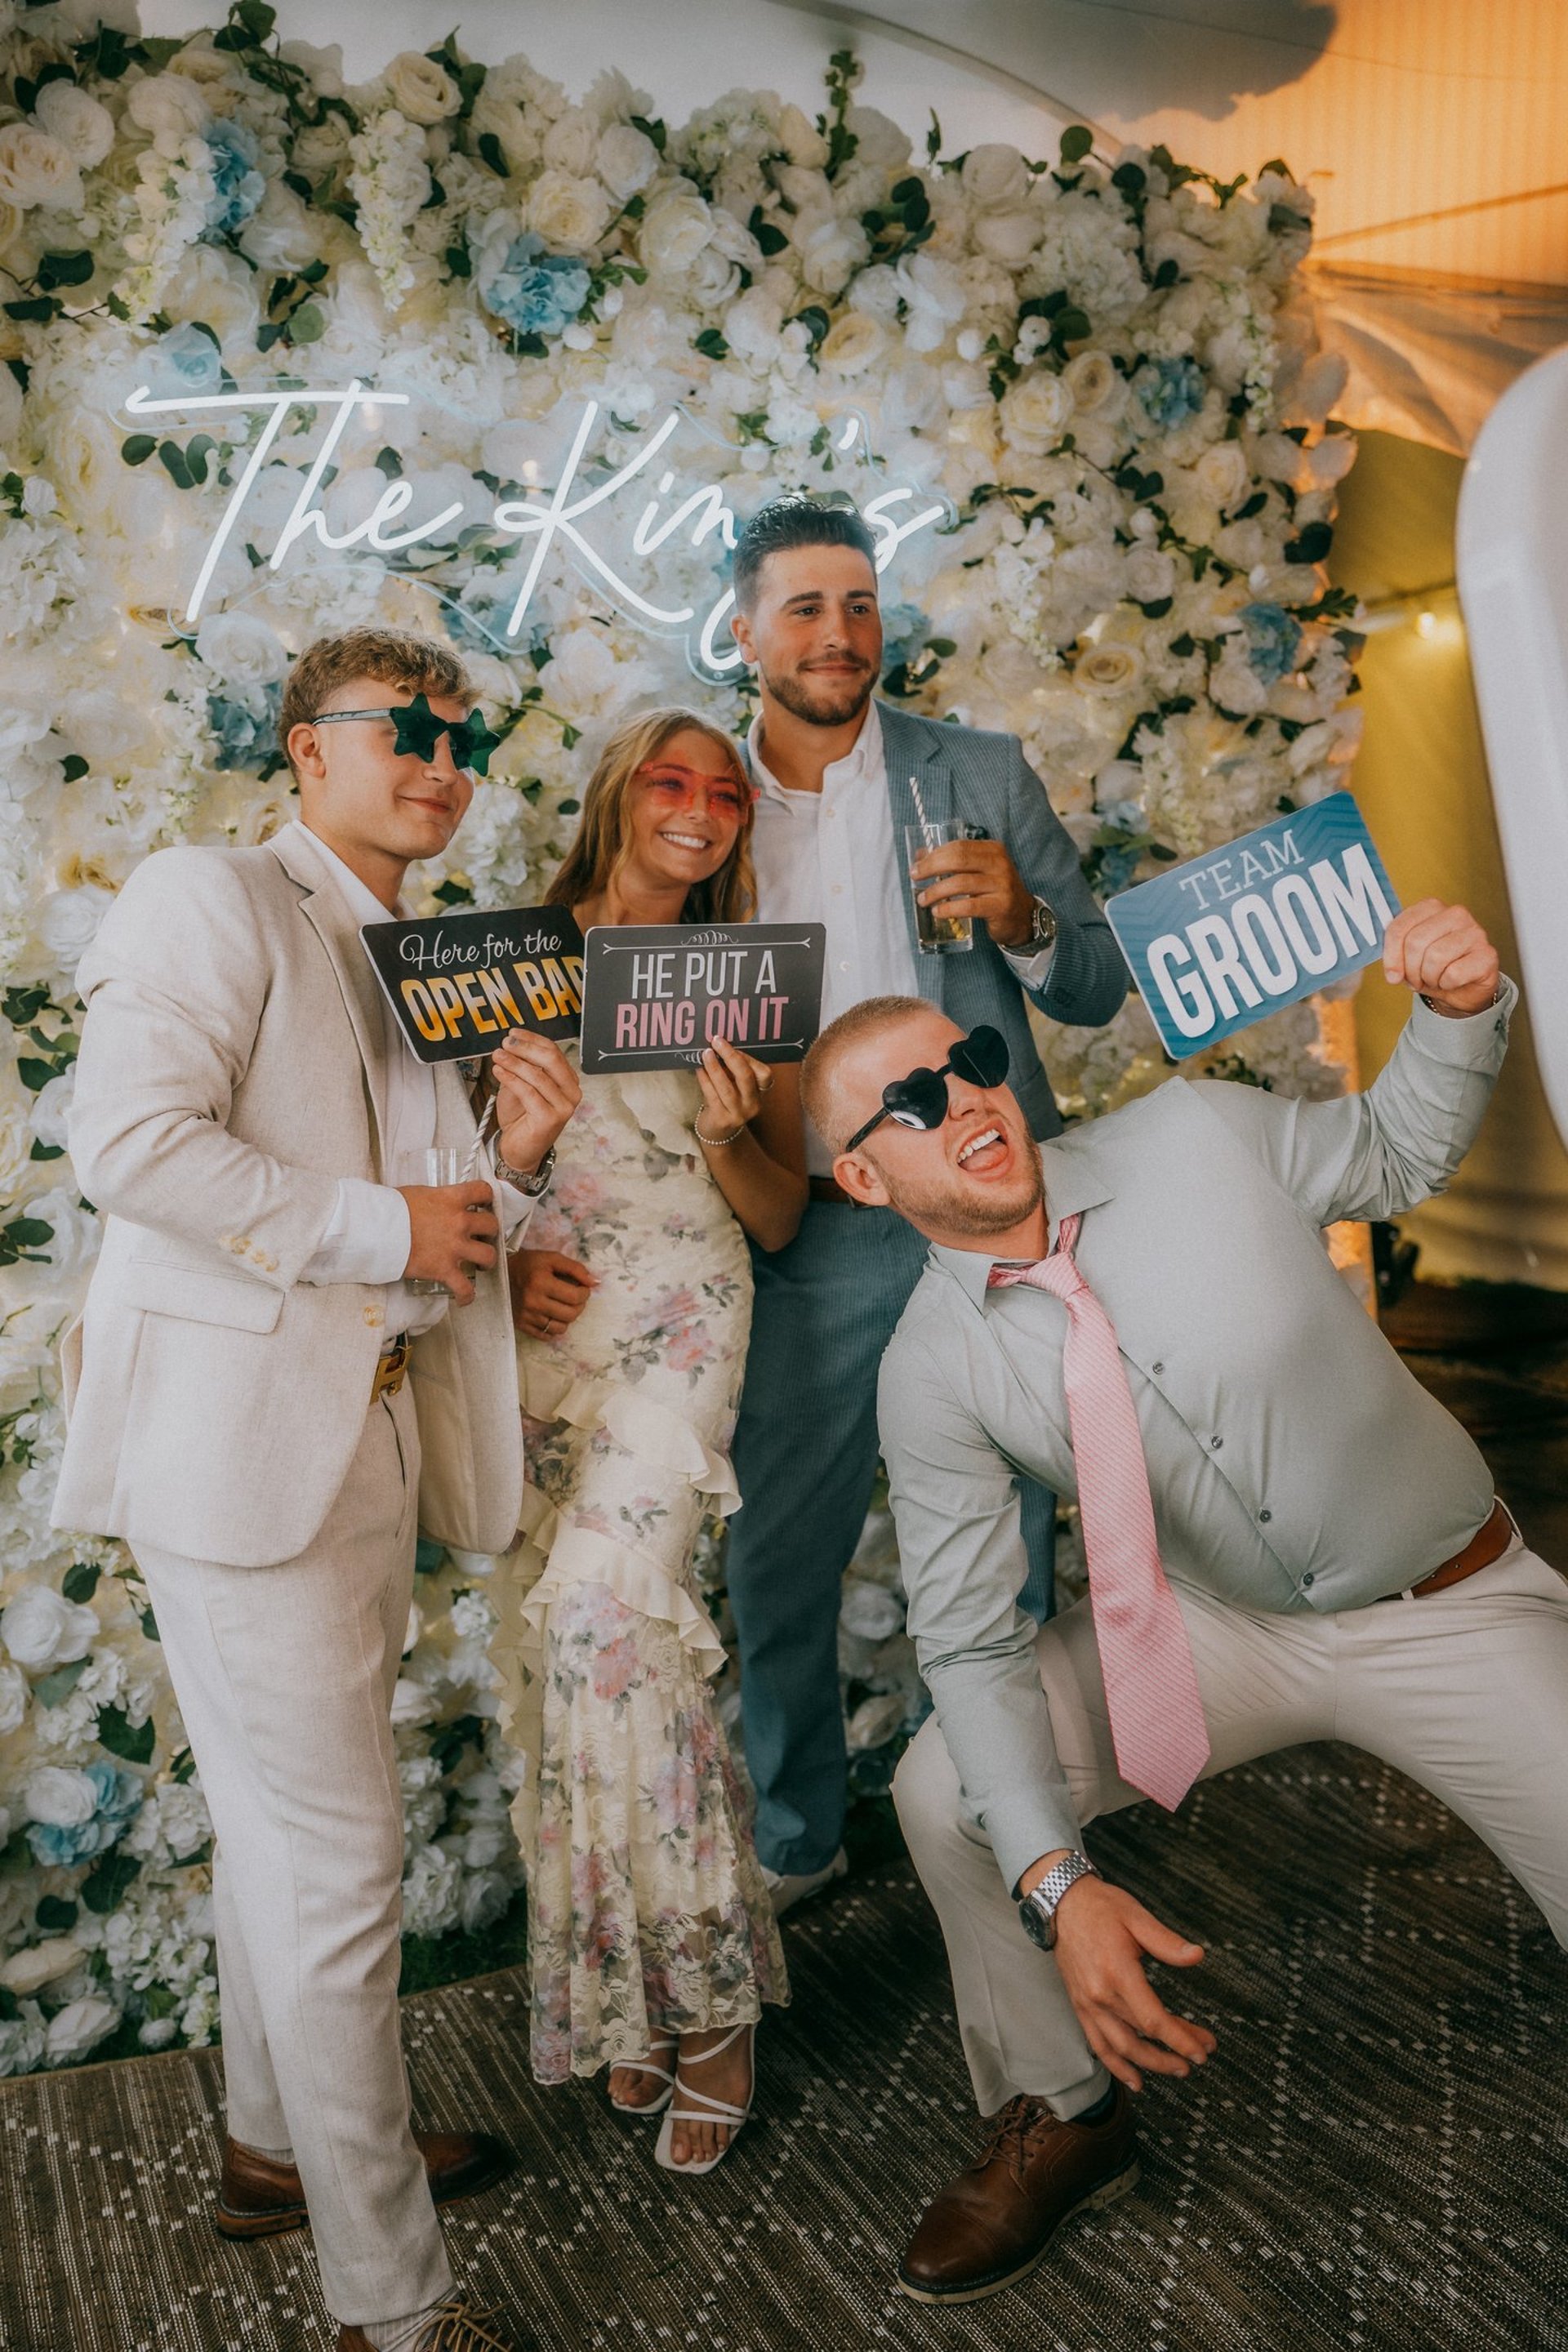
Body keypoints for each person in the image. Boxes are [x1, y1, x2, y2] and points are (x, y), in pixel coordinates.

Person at [797, 900, 1568, 2306]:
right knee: (945, 1787)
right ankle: (1068, 2119)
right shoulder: (929, 1370)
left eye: (968, 1059)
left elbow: (1395, 1150)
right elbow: (968, 1642)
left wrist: (1459, 1011)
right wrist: (1058, 1881)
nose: (964, 1092)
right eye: (912, 1100)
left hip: (1446, 1598)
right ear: (862, 1178)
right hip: (1224, 1628)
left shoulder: (1195, 1137)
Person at [52, 627, 581, 2352]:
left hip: (367, 1435)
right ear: (306, 748)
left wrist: (504, 1177)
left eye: (463, 735)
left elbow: (423, 1247)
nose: (441, 757)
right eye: (404, 729)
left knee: (289, 1846)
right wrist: (396, 1224)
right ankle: (393, 2302)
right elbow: (126, 1145)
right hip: (235, 1454)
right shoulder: (210, 895)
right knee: (343, 1866)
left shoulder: (431, 956)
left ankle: (279, 2148)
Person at [722, 495, 1129, 1913]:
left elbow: (1094, 984)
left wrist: (1023, 916)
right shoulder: (699, 799)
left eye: (858, 606)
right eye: (805, 609)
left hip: (974, 1204)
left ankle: (1022, 1829)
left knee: (1012, 1537)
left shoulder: (982, 770)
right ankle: (797, 1840)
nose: (839, 635)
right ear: (744, 630)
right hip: (810, 1220)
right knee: (782, 1542)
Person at [494, 706, 804, 2175]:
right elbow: (443, 1165)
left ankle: (716, 2007)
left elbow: (784, 1212)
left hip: (686, 1322)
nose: (698, 808)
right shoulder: (516, 959)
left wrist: (739, 1125)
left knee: (619, 1639)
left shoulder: (747, 979)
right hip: (549, 1332)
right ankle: (632, 1988)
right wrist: (496, 1269)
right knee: (556, 1666)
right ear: (618, 796)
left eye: (724, 793)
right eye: (670, 782)